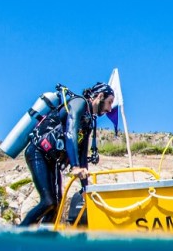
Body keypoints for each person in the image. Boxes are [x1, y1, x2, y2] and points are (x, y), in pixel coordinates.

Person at [19, 82, 115, 226]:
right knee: (48, 201)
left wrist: (85, 188)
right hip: (37, 152)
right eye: (109, 102)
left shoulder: (89, 120)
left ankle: (43, 243)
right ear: (100, 96)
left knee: (56, 206)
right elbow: (71, 132)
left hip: (52, 159)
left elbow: (82, 154)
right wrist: (75, 166)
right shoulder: (79, 103)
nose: (109, 108)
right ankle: (17, 235)